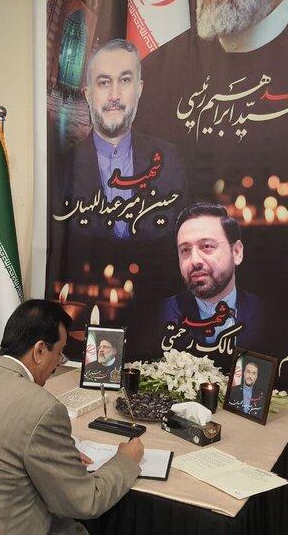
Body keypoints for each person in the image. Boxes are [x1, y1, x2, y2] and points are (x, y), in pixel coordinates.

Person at [0, 300, 143, 535]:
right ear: (39, 350)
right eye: (59, 354)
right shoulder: (43, 409)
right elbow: (85, 502)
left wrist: (57, 452)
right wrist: (125, 460)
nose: (57, 364)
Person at [52, 38, 188, 240]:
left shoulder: (170, 161)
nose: (114, 95)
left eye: (124, 80)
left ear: (139, 89)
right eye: (104, 82)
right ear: (88, 95)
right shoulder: (61, 170)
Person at [161, 203, 264, 368]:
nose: (195, 260)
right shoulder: (161, 316)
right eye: (185, 250)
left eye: (207, 246)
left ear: (236, 252)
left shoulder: (265, 316)